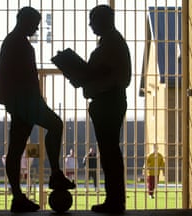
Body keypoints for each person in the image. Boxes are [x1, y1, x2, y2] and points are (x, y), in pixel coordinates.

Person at [0, 6, 75, 212]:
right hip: (25, 103)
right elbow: (23, 79)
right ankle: (54, 174)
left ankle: (19, 196)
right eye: (35, 24)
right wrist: (31, 102)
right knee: (54, 126)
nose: (37, 28)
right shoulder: (18, 44)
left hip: (22, 103)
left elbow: (7, 77)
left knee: (16, 148)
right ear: (25, 21)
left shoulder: (14, 42)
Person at [56, 5, 131, 213]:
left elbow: (111, 76)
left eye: (93, 20)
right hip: (109, 101)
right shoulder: (114, 43)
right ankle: (115, 199)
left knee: (109, 153)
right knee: (109, 152)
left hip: (107, 101)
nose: (90, 25)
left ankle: (115, 201)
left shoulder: (111, 44)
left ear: (104, 20)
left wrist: (84, 75)